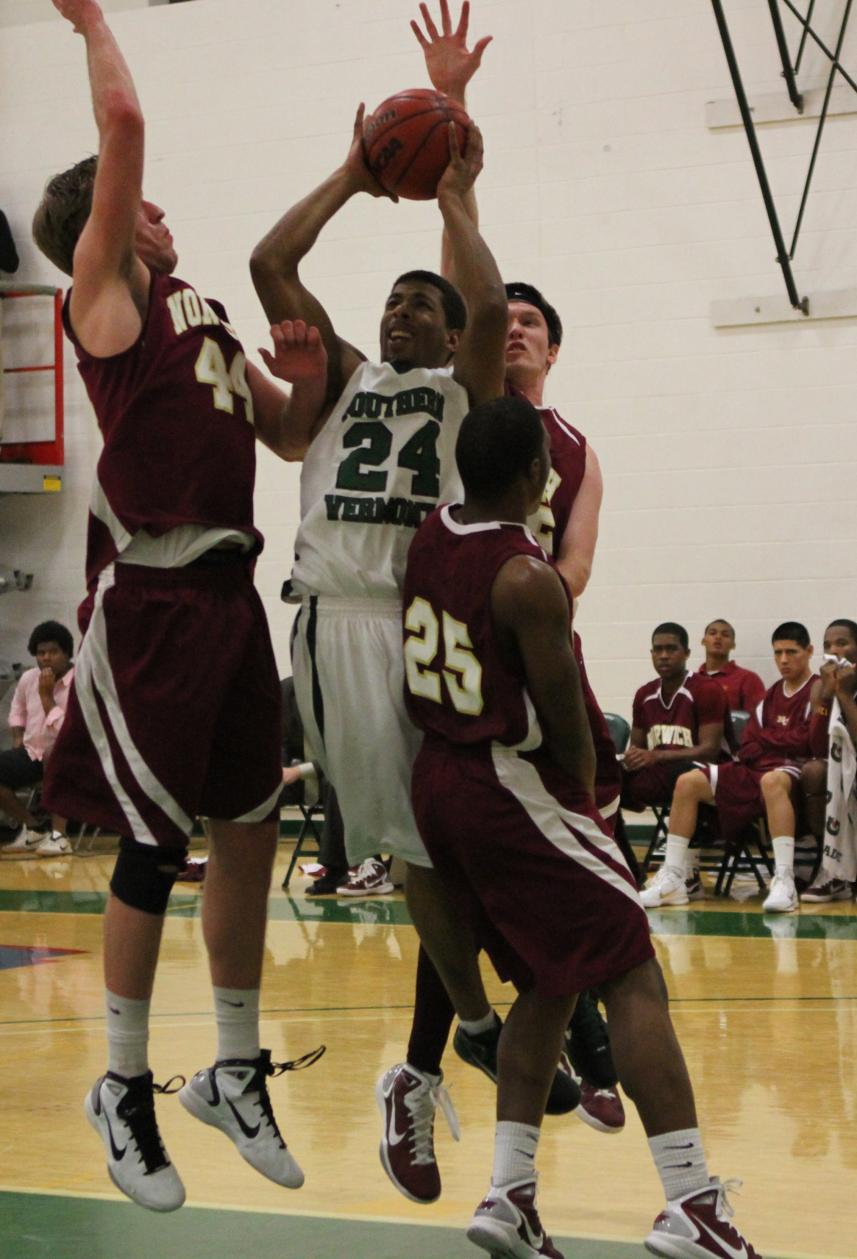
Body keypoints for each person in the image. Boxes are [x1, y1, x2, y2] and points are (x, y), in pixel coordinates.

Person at [33, 0, 326, 1213]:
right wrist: (90, 18)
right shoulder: (102, 299)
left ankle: (235, 1066)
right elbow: (127, 118)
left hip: (231, 592)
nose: (154, 200)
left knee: (248, 827)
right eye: (130, 195)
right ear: (104, 218)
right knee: (153, 844)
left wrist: (304, 375)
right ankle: (118, 1084)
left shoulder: (196, 304)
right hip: (152, 594)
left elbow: (282, 428)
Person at [249, 48, 520, 1202]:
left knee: (474, 840)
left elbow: (492, 304)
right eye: (393, 298)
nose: (401, 307)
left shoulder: (468, 391)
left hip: (428, 627)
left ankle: (482, 1033)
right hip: (342, 625)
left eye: (424, 299)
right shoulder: (345, 377)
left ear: (453, 333)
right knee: (422, 848)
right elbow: (271, 260)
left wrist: (455, 189)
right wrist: (356, 172)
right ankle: (469, 1020)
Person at [403, 393, 760, 1259]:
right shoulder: (527, 577)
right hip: (511, 786)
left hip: (437, 782)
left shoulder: (432, 533)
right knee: (631, 971)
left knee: (549, 982)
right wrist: (594, 794)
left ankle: (509, 1192)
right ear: (533, 475)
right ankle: (689, 1200)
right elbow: (570, 724)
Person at [413, 0, 627, 1140]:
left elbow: (576, 570)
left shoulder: (578, 449)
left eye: (538, 322)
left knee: (553, 860)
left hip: (533, 645)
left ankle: (568, 1040)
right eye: (512, 319)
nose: (521, 328)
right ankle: (525, 1044)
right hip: (457, 661)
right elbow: (465, 260)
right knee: (455, 863)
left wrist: (527, 573)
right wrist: (452, 108)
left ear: (554, 345)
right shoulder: (471, 401)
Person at [643, 622, 817, 914]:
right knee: (688, 781)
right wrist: (774, 741)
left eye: (791, 652)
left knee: (772, 782)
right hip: (754, 767)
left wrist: (769, 740)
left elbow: (807, 742)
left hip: (790, 771)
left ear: (809, 652)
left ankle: (784, 879)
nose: (784, 660)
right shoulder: (771, 694)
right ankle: (675, 876)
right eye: (778, 653)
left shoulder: (815, 691)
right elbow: (748, 741)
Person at [0, 620, 73, 856]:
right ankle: (33, 828)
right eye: (41, 653)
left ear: (67, 653)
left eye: (53, 652)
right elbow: (17, 708)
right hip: (33, 751)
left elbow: (65, 731)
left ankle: (60, 836)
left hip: (73, 756)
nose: (46, 658)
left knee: (56, 756)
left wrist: (46, 696)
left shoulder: (79, 681)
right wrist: (17, 734)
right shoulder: (29, 677)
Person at [801, 619, 857, 903]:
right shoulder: (819, 687)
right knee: (812, 771)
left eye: (842, 643)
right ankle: (831, 866)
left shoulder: (848, 686)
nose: (834, 651)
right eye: (828, 645)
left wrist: (845, 695)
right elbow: (816, 745)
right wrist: (826, 694)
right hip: (839, 767)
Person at [698, 619, 766, 712]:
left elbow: (757, 721)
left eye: (725, 635)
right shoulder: (693, 680)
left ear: (733, 645)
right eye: (713, 633)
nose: (718, 637)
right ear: (703, 641)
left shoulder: (748, 679)